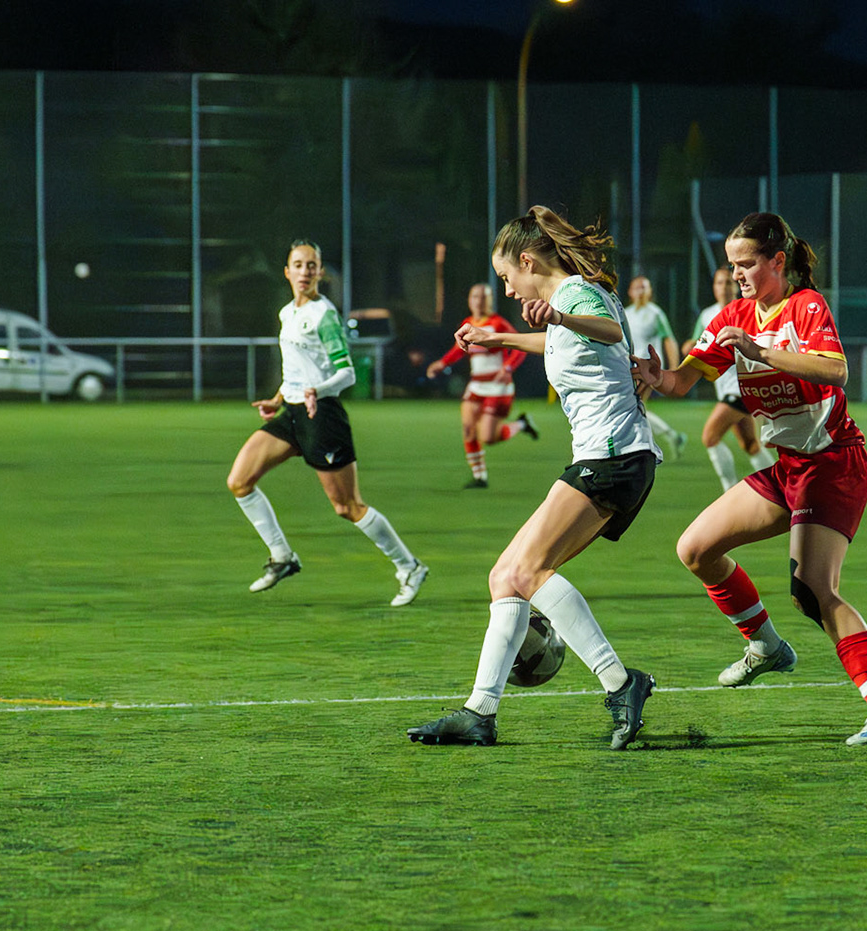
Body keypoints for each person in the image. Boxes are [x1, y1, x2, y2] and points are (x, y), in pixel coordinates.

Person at [633, 212, 867, 746]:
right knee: (695, 548)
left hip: (834, 465)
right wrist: (659, 378)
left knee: (812, 589)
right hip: (789, 468)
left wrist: (762, 351)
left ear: (777, 262)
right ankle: (765, 645)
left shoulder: (806, 306)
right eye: (732, 265)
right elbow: (683, 379)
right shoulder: (732, 316)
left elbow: (836, 370)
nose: (737, 274)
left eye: (746, 264)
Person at [407, 207, 657, 750]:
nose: (506, 288)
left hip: (611, 458)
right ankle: (480, 712)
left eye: (505, 277)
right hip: (611, 458)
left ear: (527, 261)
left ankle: (621, 683)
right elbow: (568, 343)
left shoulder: (573, 296)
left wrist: (561, 318)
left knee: (528, 570)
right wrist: (503, 342)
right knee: (506, 577)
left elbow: (608, 331)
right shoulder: (565, 305)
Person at [226, 240, 429, 606]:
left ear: (320, 273)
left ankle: (409, 566)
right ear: (287, 272)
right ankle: (282, 557)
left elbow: (346, 373)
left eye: (311, 265)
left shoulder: (325, 315)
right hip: (292, 412)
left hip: (323, 416)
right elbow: (297, 369)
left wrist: (317, 390)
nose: (304, 272)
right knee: (239, 481)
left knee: (347, 506)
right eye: (298, 265)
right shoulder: (287, 313)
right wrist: (277, 398)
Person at [426, 282, 539, 488]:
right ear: (469, 301)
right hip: (477, 384)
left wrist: (507, 368)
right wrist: (442, 364)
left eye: (483, 296)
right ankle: (480, 477)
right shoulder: (468, 322)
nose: (478, 300)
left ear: (490, 300)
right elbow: (460, 349)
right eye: (474, 296)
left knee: (488, 436)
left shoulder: (497, 323)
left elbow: (520, 347)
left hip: (498, 387)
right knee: (468, 429)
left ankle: (522, 424)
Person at [687, 264, 777, 491]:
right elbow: (697, 342)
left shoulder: (748, 310)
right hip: (725, 387)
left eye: (728, 282)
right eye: (720, 282)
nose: (724, 287)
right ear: (714, 287)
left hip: (742, 387)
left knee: (710, 437)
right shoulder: (708, 315)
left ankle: (729, 491)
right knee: (750, 444)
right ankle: (780, 488)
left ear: (736, 286)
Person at [623, 276, 687, 459]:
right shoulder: (626, 313)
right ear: (630, 291)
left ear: (650, 292)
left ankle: (644, 448)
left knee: (633, 406)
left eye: (645, 287)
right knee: (635, 407)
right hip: (628, 367)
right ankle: (671, 437)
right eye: (637, 287)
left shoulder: (655, 313)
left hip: (648, 369)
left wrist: (674, 368)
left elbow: (669, 339)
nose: (641, 291)